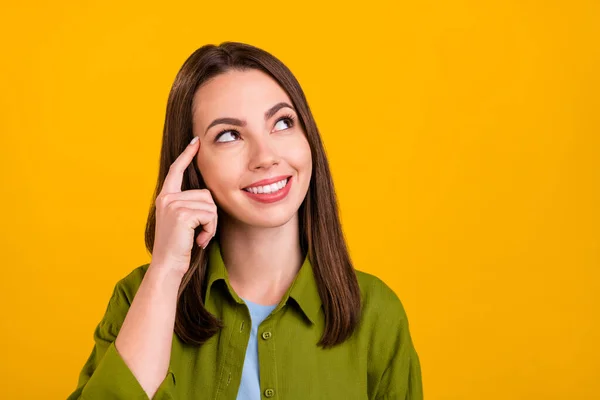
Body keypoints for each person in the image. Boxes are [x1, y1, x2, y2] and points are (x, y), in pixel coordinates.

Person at [66, 41, 423, 400]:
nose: (265, 156)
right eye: (229, 135)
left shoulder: (376, 312)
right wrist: (166, 269)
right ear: (191, 164)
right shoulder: (140, 297)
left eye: (282, 122)